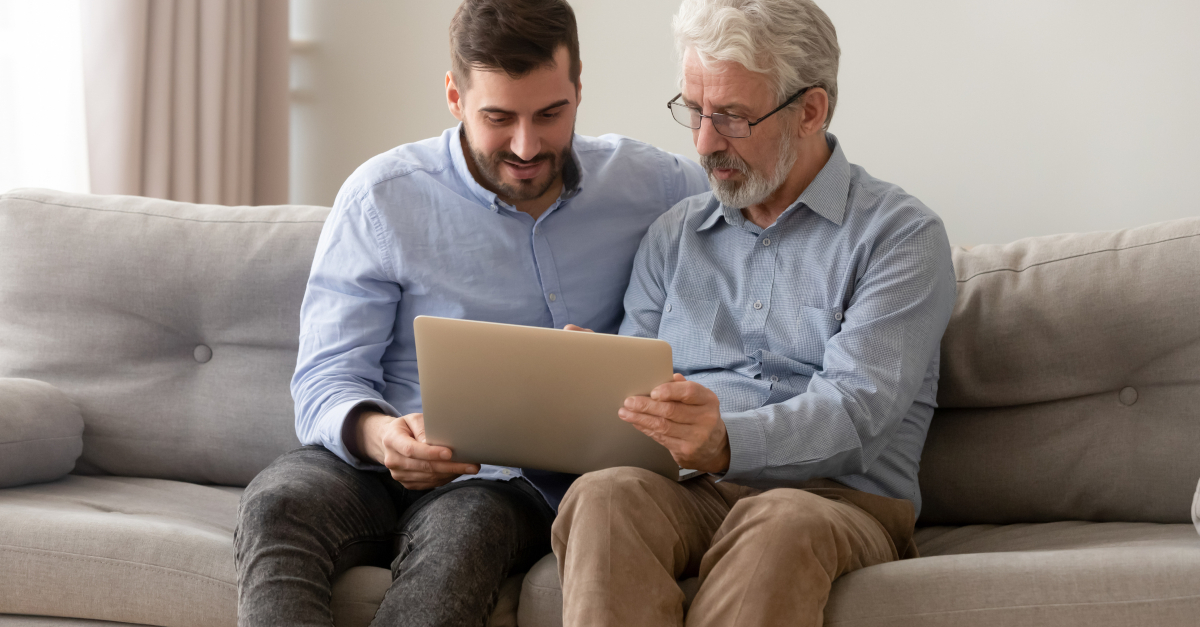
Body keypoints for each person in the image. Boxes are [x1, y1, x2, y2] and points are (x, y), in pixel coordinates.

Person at [233, 0, 708, 624]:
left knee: (464, 530)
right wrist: (383, 438)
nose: (526, 145)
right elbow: (324, 379)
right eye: (498, 117)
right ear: (455, 96)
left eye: (550, 114)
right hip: (378, 461)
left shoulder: (657, 186)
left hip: (514, 483)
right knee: (277, 503)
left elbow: (756, 232)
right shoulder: (382, 198)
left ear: (578, 87)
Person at [553, 0, 957, 625]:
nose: (705, 143)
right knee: (602, 496)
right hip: (691, 493)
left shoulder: (899, 236)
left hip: (837, 502)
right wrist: (596, 389)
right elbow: (633, 415)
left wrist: (725, 442)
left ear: (811, 110)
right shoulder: (673, 236)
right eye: (695, 110)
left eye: (734, 118)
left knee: (782, 519)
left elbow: (855, 417)